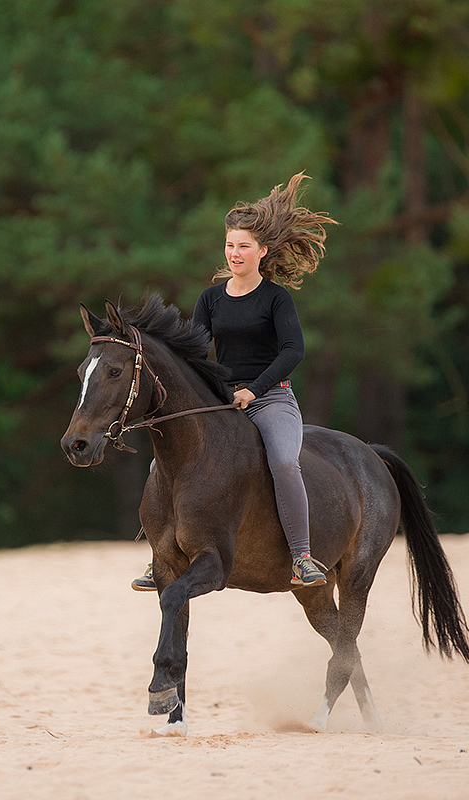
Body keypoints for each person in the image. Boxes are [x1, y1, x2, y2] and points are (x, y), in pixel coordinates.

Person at [132, 173, 336, 592]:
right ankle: (161, 559)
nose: (235, 252)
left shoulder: (277, 298)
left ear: (262, 251)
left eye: (244, 246)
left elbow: (293, 352)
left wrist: (254, 389)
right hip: (223, 400)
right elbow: (195, 351)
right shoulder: (210, 299)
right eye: (230, 244)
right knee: (158, 464)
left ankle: (301, 557)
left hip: (271, 399)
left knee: (283, 461)